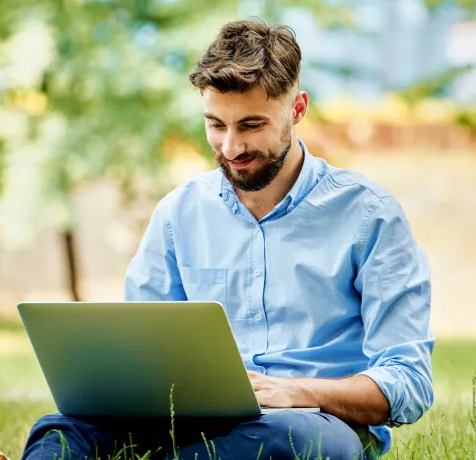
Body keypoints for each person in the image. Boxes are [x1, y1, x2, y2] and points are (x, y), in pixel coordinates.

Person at [22, 19, 434, 460]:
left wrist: (295, 391)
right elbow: (143, 358)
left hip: (311, 424)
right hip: (190, 425)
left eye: (251, 125)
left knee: (303, 443)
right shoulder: (179, 214)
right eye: (216, 125)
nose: (231, 147)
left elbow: (408, 382)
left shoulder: (369, 216)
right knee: (60, 432)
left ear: (297, 109)